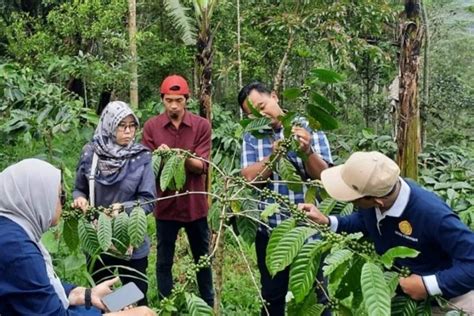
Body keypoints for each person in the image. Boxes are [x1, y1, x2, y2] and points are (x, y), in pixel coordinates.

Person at [298, 151, 474, 314]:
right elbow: (363, 220)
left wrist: (429, 285)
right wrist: (328, 221)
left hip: (452, 301)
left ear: (377, 201)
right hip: (403, 294)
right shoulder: (378, 198)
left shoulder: (433, 215)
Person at [0, 158, 156, 316]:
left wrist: (84, 294)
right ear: (38, 197)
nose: (63, 203)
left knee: (124, 299)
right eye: (61, 196)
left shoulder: (11, 231)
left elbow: (34, 289)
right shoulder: (18, 250)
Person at [238, 81, 333, 315]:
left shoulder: (309, 127)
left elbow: (326, 177)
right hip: (270, 232)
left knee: (316, 294)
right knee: (272, 296)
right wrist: (274, 156)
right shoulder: (252, 136)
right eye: (253, 114)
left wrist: (307, 150)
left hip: (310, 231)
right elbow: (249, 178)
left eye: (262, 106)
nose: (260, 115)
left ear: (274, 96)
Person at [73, 101, 156, 305]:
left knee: (136, 292)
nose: (128, 131)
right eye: (122, 125)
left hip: (130, 239)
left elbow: (148, 200)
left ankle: (120, 307)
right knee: (100, 295)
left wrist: (124, 209)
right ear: (109, 125)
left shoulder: (141, 157)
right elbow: (78, 188)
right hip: (98, 240)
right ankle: (112, 308)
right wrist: (80, 199)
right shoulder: (90, 154)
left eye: (132, 125)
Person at [142, 75, 214, 306]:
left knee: (202, 259)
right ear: (162, 99)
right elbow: (147, 164)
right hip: (165, 206)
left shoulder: (201, 126)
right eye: (169, 100)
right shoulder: (152, 127)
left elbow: (202, 166)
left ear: (186, 100)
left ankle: (208, 302)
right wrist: (160, 155)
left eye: (179, 100)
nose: (174, 105)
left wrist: (177, 156)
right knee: (164, 261)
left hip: (195, 206)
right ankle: (166, 303)